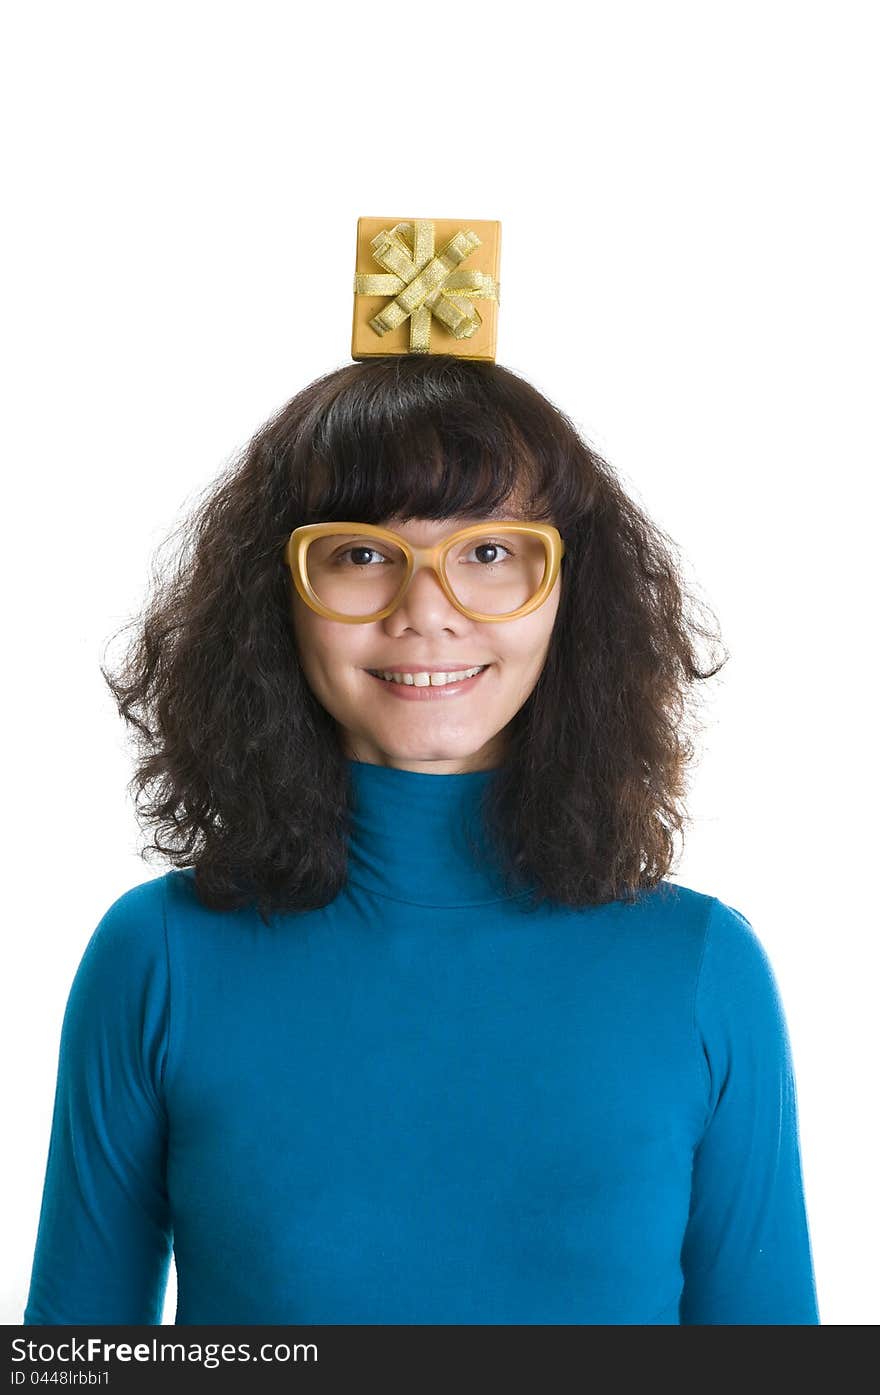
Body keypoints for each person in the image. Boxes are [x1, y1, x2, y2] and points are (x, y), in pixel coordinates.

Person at [22, 223, 820, 1325]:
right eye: (361, 554)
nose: (425, 610)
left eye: (489, 552)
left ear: (568, 596)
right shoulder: (156, 956)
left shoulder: (701, 968)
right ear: (279, 595)